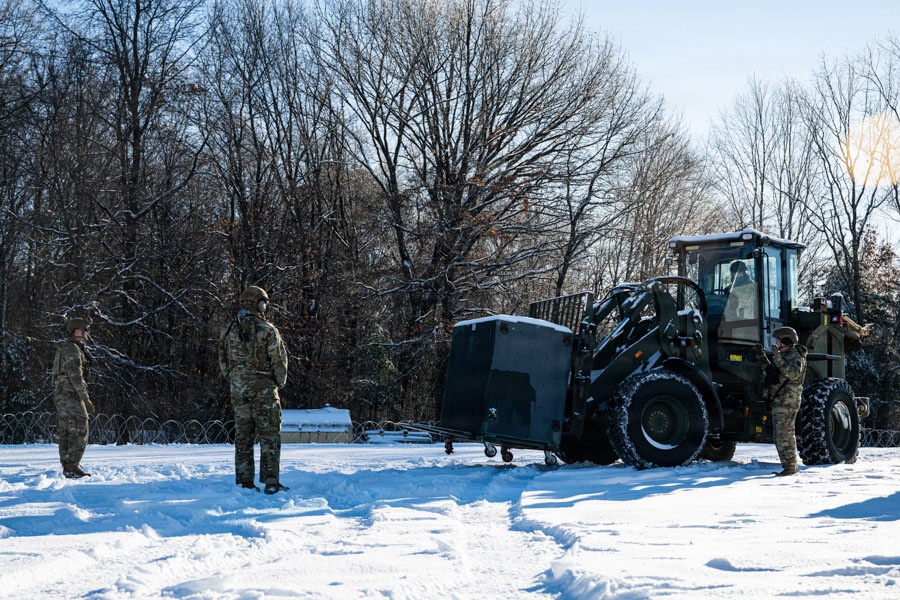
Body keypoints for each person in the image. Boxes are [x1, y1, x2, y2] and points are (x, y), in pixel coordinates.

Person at [218, 286, 289, 494]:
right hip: (263, 390)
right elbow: (279, 360)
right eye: (264, 302)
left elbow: (222, 360)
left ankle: (245, 481)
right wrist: (278, 382)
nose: (265, 306)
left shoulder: (229, 329)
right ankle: (271, 482)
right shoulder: (266, 329)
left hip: (238, 390)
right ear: (257, 303)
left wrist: (234, 379)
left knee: (243, 436)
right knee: (269, 435)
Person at [755, 326, 808, 476]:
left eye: (778, 340)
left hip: (788, 402)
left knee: (785, 435)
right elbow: (772, 372)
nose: (776, 343)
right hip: (780, 401)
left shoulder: (796, 356)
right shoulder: (783, 356)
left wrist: (777, 357)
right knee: (780, 435)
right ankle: (788, 466)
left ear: (786, 340)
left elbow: (792, 373)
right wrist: (761, 356)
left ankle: (790, 467)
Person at [52, 317, 94, 479]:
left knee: (66, 429)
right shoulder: (73, 350)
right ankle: (72, 466)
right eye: (86, 330)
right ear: (78, 331)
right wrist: (85, 398)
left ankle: (68, 465)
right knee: (80, 428)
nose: (87, 333)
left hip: (62, 394)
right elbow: (76, 376)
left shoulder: (66, 348)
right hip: (71, 394)